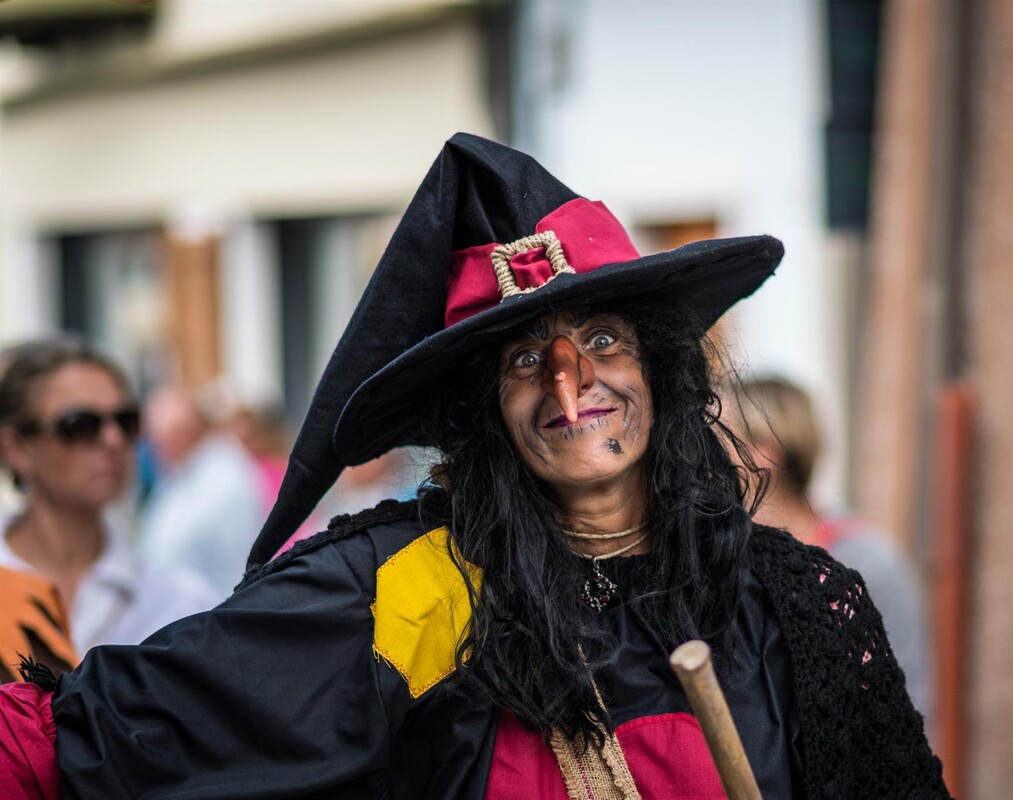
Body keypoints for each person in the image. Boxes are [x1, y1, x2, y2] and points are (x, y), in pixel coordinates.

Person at [0, 134, 947, 798]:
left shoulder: (794, 600)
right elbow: (88, 742)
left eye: (602, 340)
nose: (570, 385)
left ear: (659, 369)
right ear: (486, 409)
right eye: (526, 359)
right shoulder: (410, 586)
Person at [0, 339, 217, 679]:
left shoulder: (180, 603)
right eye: (79, 424)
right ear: (16, 448)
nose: (113, 439)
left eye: (126, 420)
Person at [732, 376, 932, 721]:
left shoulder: (868, 565)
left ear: (763, 452)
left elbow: (911, 702)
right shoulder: (716, 562)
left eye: (719, 440)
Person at [138, 383, 265, 596]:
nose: (154, 448)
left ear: (189, 430)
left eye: (163, 438)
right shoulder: (178, 473)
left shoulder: (227, 480)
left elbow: (238, 569)